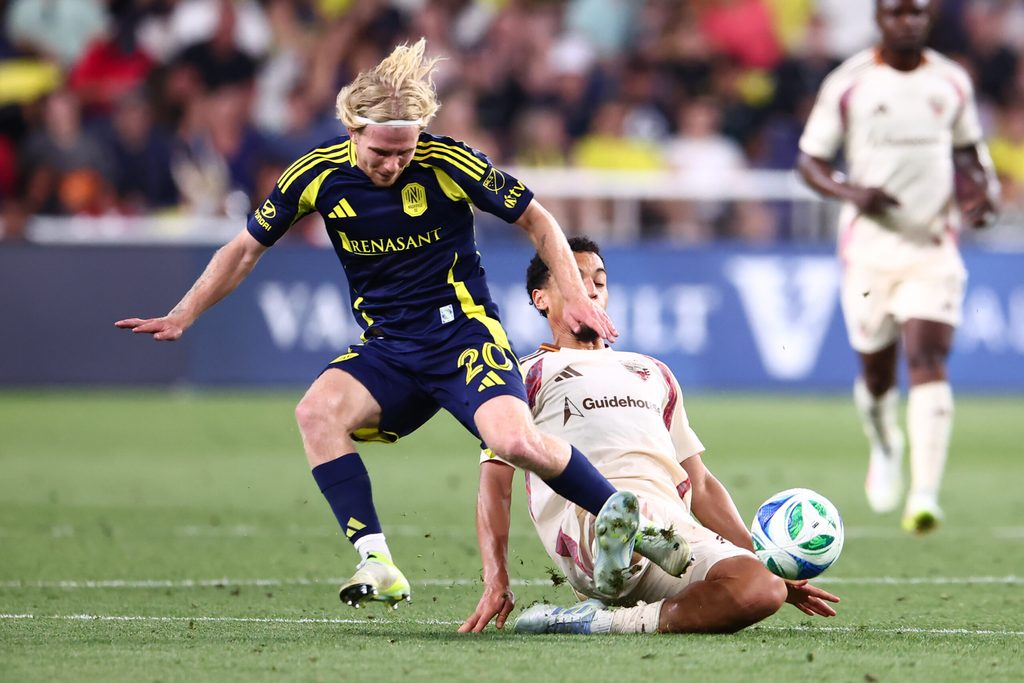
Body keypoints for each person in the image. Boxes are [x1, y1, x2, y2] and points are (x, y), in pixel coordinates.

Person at [115, 40, 692, 613]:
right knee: (316, 412)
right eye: (381, 153)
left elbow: (539, 221)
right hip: (390, 349)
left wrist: (574, 299)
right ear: (352, 132)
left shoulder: (447, 163)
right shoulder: (315, 176)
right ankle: (377, 561)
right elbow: (244, 250)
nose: (393, 164)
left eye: (404, 151)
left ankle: (638, 527)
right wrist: (183, 312)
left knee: (513, 442)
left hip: (463, 336)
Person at [459, 237, 840, 635]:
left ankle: (602, 621)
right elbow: (496, 482)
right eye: (574, 279)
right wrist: (495, 578)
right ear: (541, 299)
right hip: (587, 522)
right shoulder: (522, 376)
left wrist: (765, 561)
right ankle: (617, 544)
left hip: (675, 536)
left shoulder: (652, 371)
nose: (590, 288)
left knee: (761, 591)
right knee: (619, 513)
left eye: (600, 281)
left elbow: (702, 484)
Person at [796, 0, 1000, 533]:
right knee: (877, 372)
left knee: (927, 356)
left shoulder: (952, 81)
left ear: (929, 18)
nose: (906, 22)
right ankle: (885, 443)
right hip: (868, 250)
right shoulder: (850, 82)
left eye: (916, 13)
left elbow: (968, 152)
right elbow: (810, 161)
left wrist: (983, 194)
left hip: (933, 245)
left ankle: (924, 494)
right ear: (879, 18)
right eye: (896, 13)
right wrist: (850, 191)